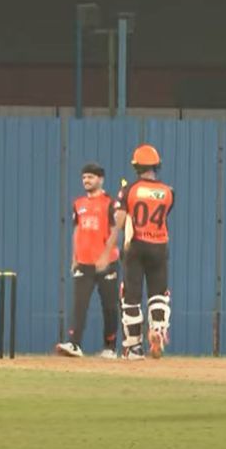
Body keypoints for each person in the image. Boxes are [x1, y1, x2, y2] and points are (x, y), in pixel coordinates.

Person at [101, 144, 174, 361]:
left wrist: (110, 246)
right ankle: (158, 331)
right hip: (159, 246)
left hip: (135, 245)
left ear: (136, 167)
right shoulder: (168, 192)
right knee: (158, 294)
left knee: (131, 297)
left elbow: (121, 220)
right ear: (156, 165)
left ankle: (133, 347)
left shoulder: (129, 190)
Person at [56, 163, 120, 359]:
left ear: (100, 179)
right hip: (83, 262)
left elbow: (116, 230)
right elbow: (77, 230)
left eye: (90, 177)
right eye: (84, 177)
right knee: (79, 304)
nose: (86, 181)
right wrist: (74, 256)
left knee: (109, 305)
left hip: (106, 262)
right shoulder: (79, 203)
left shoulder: (110, 203)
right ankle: (74, 344)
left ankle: (110, 347)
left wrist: (105, 255)